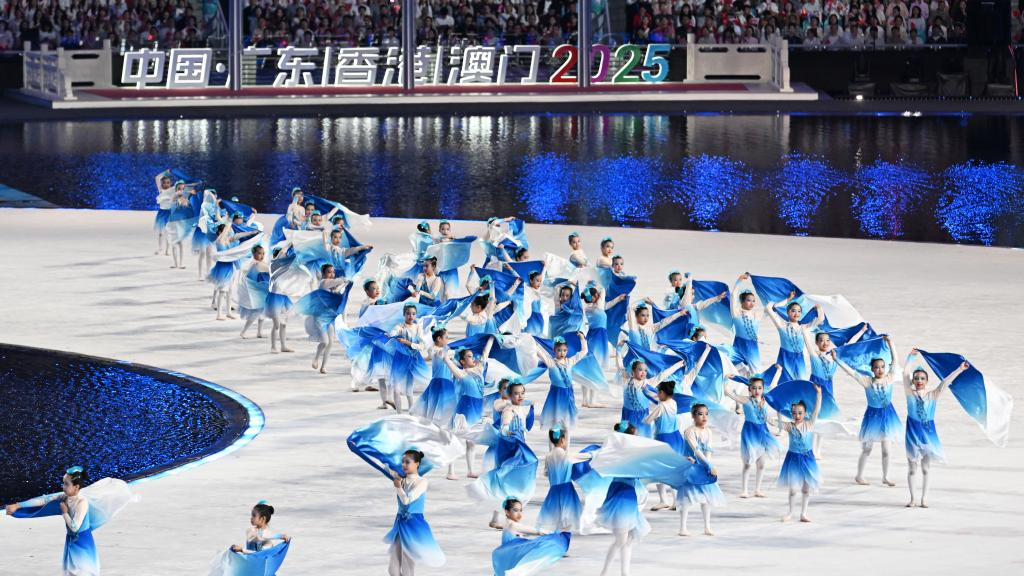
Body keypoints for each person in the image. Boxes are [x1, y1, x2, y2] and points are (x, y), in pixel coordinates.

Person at [5, 467, 136, 576]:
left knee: (82, 571)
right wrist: (19, 505)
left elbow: (74, 527)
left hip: (82, 541)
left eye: (66, 484)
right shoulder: (66, 496)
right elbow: (45, 500)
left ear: (76, 486)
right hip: (72, 540)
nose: (63, 487)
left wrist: (64, 512)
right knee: (71, 571)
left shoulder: (81, 503)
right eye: (64, 483)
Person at [903, 352, 970, 508]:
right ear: (913, 381)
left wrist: (960, 369)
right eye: (917, 378)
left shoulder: (933, 394)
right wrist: (910, 359)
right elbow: (905, 373)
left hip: (927, 433)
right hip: (912, 431)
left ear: (927, 381)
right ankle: (913, 498)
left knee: (925, 468)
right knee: (912, 468)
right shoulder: (909, 393)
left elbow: (946, 382)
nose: (919, 381)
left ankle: (924, 498)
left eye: (922, 378)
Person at [837, 334, 901, 486]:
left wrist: (890, 342)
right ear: (872, 369)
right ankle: (859, 475)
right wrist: (836, 359)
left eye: (882, 367)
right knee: (867, 449)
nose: (880, 369)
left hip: (887, 416)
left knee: (886, 450)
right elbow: (851, 372)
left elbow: (896, 361)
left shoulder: (889, 378)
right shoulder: (867, 381)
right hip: (872, 417)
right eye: (876, 367)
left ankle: (885, 476)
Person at [597, 422, 648, 576]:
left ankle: (624, 572)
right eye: (635, 436)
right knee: (622, 539)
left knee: (629, 538)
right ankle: (604, 572)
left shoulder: (630, 453)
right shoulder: (620, 453)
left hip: (628, 494)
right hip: (621, 495)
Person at [724, 368, 783, 498]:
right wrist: (726, 379)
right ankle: (744, 490)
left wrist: (778, 371)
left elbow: (773, 385)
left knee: (761, 463)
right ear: (749, 389)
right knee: (747, 462)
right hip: (750, 432)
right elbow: (728, 393)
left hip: (763, 431)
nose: (757, 391)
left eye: (759, 388)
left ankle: (757, 489)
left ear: (763, 389)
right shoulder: (746, 400)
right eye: (754, 388)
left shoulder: (765, 399)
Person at [385, 450, 445, 576]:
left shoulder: (422, 482)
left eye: (407, 462)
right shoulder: (401, 479)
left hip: (414, 525)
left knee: (408, 568)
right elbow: (384, 464)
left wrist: (397, 486)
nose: (404, 465)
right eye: (402, 462)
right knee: (393, 570)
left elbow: (406, 500)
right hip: (399, 524)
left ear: (417, 463)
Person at [443, 338, 495, 479]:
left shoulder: (479, 369)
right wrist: (447, 353)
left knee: (472, 442)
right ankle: (450, 471)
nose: (474, 358)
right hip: (465, 410)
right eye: (470, 357)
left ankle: (471, 470)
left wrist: (490, 338)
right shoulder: (461, 373)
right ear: (462, 362)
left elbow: (485, 353)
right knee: (455, 439)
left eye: (473, 356)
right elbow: (447, 361)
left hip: (477, 409)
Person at [777, 384, 823, 522]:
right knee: (792, 489)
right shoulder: (789, 426)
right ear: (791, 413)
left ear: (805, 413)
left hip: (808, 458)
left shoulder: (809, 424)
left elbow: (816, 409)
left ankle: (803, 513)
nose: (797, 415)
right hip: (793, 458)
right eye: (794, 413)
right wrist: (777, 410)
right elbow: (775, 422)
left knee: (806, 488)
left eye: (800, 413)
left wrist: (819, 394)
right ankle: (790, 512)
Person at [679, 403, 726, 536]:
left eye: (706, 414)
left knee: (706, 498)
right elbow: (696, 449)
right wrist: (708, 465)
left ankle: (707, 526)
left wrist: (708, 464)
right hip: (690, 465)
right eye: (700, 414)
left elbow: (708, 450)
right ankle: (682, 527)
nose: (704, 417)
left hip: (703, 464)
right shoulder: (689, 431)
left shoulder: (708, 431)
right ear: (693, 416)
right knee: (687, 498)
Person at [492, 498, 570, 576]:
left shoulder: (507, 523)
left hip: (506, 555)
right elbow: (537, 531)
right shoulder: (513, 525)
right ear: (507, 512)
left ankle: (555, 551)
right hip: (513, 554)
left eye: (521, 510)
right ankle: (555, 551)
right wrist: (556, 533)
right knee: (547, 541)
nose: (519, 514)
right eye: (515, 510)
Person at [537, 425, 589, 533]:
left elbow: (546, 473)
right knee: (568, 512)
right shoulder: (568, 456)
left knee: (556, 512)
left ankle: (559, 530)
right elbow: (587, 456)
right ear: (562, 439)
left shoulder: (548, 456)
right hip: (566, 488)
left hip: (554, 488)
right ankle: (565, 531)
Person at [534, 333, 589, 430]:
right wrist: (530, 340)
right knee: (555, 419)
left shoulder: (570, 361)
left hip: (568, 393)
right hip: (556, 394)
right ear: (554, 350)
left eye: (564, 350)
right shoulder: (550, 362)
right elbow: (539, 352)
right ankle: (554, 440)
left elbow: (584, 351)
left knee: (566, 421)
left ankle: (565, 441)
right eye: (559, 350)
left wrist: (582, 339)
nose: (562, 353)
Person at [645, 381, 685, 511]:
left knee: (660, 471)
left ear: (662, 393)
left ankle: (664, 500)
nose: (657, 395)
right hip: (676, 437)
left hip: (664, 439)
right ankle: (675, 501)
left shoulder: (661, 407)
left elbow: (647, 420)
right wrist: (648, 393)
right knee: (673, 470)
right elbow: (657, 400)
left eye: (658, 392)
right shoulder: (673, 402)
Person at [765, 291, 823, 381]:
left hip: (799, 360)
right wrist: (787, 299)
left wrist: (819, 308)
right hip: (784, 358)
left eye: (799, 311)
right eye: (793, 311)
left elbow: (820, 319)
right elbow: (769, 308)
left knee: (801, 383)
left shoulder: (804, 327)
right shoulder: (782, 325)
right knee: (783, 384)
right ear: (788, 312)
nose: (796, 313)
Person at [388, 303, 430, 411]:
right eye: (408, 314)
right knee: (396, 387)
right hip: (400, 359)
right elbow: (393, 332)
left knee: (409, 388)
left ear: (416, 315)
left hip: (413, 359)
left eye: (413, 314)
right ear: (404, 314)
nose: (410, 316)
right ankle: (399, 413)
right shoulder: (400, 327)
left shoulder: (418, 327)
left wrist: (408, 343)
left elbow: (422, 346)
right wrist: (391, 334)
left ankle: (411, 412)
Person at [730, 273, 764, 374]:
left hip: (752, 347)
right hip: (739, 344)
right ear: (742, 302)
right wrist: (739, 280)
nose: (752, 303)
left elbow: (770, 309)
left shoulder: (756, 315)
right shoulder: (736, 313)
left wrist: (787, 300)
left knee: (756, 373)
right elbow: (733, 296)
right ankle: (735, 390)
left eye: (753, 301)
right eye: (749, 300)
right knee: (737, 372)